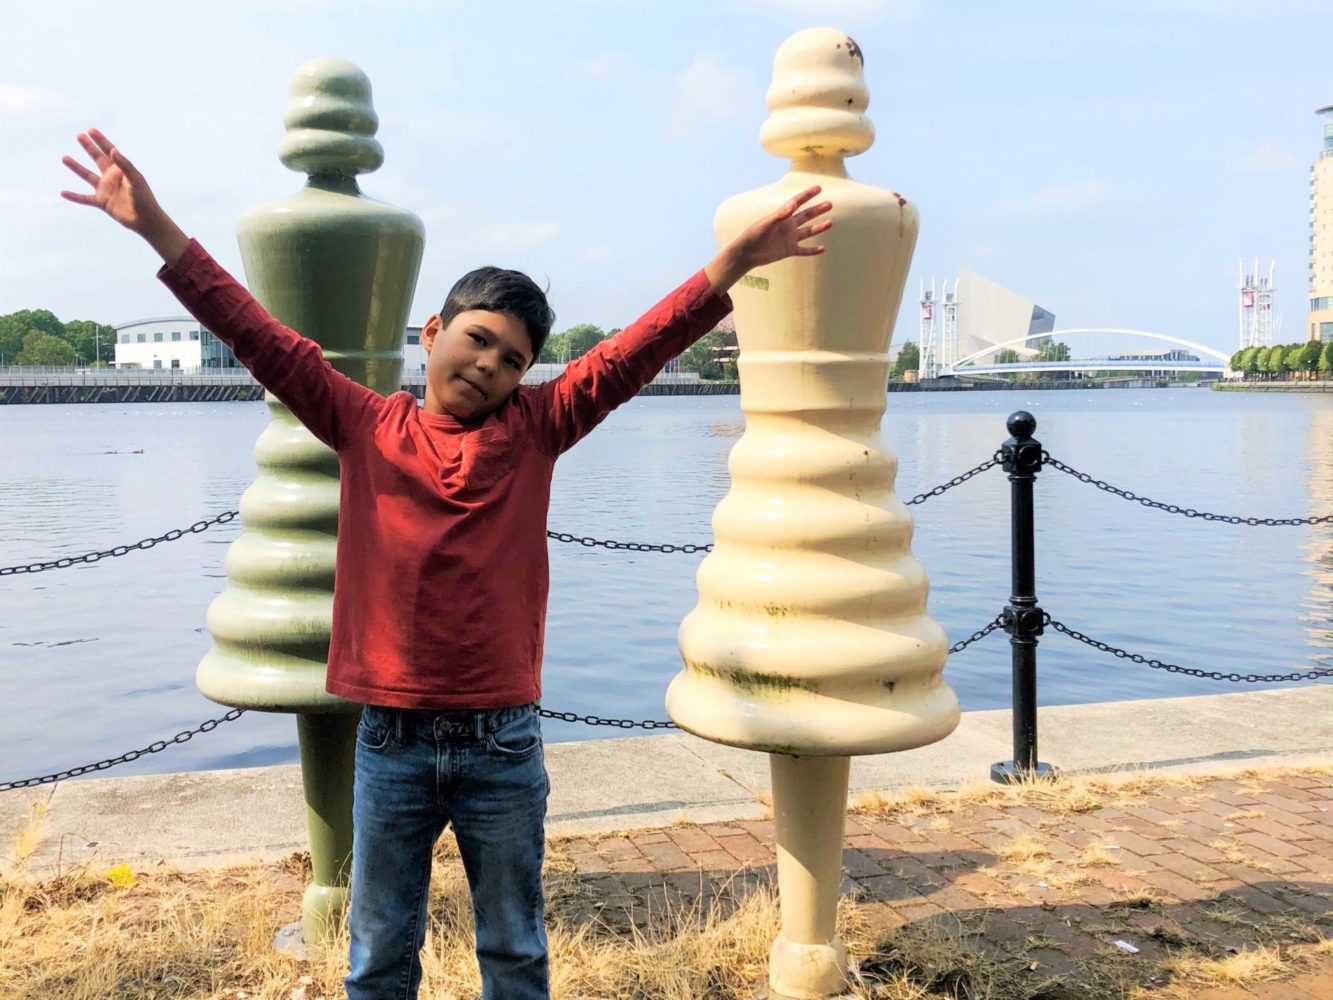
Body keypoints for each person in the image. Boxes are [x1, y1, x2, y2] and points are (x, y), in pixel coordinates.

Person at [62, 127, 832, 1000]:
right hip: (388, 738)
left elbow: (628, 355)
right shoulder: (364, 424)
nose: (490, 365)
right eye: (477, 340)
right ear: (431, 333)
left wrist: (725, 268)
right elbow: (257, 334)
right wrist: (156, 228)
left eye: (513, 360)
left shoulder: (538, 428)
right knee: (379, 953)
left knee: (513, 949)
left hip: (502, 739)